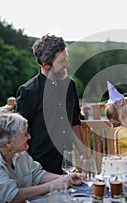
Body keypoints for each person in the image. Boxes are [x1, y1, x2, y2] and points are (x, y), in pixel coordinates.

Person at [0, 112, 82, 203]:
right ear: (8, 142)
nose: (29, 137)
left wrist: (66, 178)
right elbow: (14, 197)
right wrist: (53, 185)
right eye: (24, 134)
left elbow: (37, 174)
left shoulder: (19, 153)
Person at [15, 34, 84, 174]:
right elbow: (18, 134)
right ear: (45, 64)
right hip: (39, 170)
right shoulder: (28, 91)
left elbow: (75, 122)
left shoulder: (70, 85)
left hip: (67, 166)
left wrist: (85, 153)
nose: (67, 64)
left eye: (66, 58)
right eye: (61, 61)